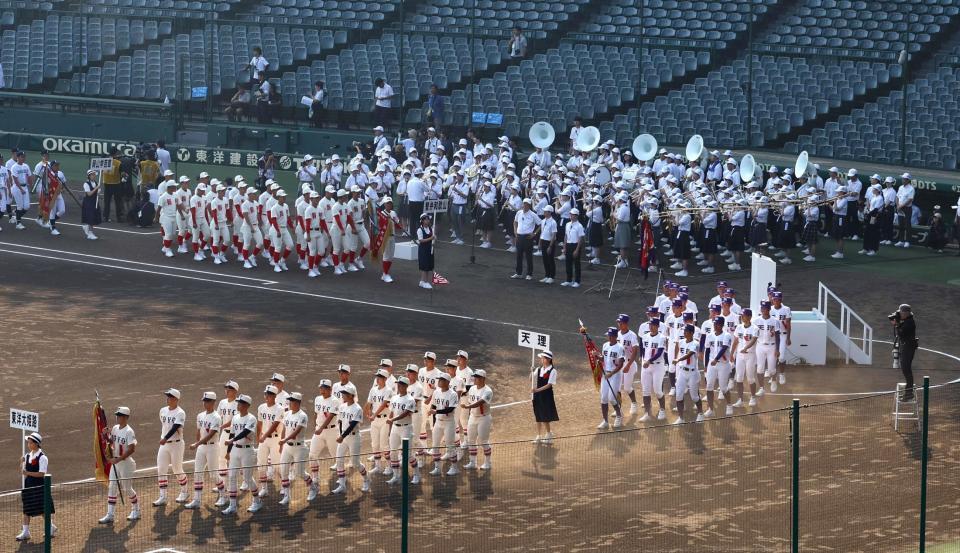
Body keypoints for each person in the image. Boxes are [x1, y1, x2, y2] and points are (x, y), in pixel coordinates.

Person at [99, 406, 141, 523]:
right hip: (116, 462)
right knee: (112, 487)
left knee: (127, 488)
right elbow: (111, 442)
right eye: (117, 415)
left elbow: (132, 449)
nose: (117, 417)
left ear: (126, 417)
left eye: (119, 415)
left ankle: (136, 510)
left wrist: (119, 459)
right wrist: (105, 434)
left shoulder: (129, 431)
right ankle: (110, 514)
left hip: (126, 463)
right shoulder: (115, 428)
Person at [223, 394, 260, 515]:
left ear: (246, 405)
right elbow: (232, 434)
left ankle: (257, 501)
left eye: (240, 403)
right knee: (232, 476)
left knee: (248, 478)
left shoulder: (251, 419)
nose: (238, 404)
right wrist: (228, 451)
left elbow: (245, 432)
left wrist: (232, 441)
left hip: (247, 451)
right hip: (235, 450)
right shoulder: (235, 417)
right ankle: (232, 505)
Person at [185, 391, 223, 509]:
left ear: (213, 402)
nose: (205, 403)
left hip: (212, 447)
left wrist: (196, 444)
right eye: (204, 401)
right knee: (197, 473)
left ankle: (223, 495)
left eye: (207, 401)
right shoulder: (200, 415)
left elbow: (210, 435)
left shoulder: (216, 417)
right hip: (201, 448)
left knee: (213, 474)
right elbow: (199, 431)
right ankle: (197, 500)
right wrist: (198, 445)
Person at [17, 432, 56, 542]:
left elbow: (41, 474)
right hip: (28, 485)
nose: (28, 445)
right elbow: (22, 471)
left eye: (30, 443)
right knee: (26, 509)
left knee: (42, 509)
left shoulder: (43, 458)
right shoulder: (27, 456)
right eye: (28, 443)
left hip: (39, 486)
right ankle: (25, 532)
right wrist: (21, 462)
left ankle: (50, 527)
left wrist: (27, 473)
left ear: (36, 444)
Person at [154, 388, 189, 507]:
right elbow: (164, 425)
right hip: (164, 445)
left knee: (177, 469)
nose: (167, 399)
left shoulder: (180, 413)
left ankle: (184, 492)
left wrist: (165, 438)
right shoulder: (163, 410)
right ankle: (163, 496)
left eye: (170, 397)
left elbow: (175, 427)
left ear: (176, 399)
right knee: (161, 469)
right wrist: (164, 439)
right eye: (167, 396)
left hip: (176, 444)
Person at [333, 385, 371, 494]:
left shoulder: (357, 409)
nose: (342, 395)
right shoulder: (342, 407)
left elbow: (352, 425)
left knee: (355, 463)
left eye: (344, 394)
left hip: (354, 438)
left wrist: (342, 436)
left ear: (350, 395)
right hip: (344, 437)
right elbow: (340, 421)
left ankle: (366, 479)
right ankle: (342, 484)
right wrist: (341, 434)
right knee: (339, 459)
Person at [385, 376, 421, 484]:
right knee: (393, 452)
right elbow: (392, 412)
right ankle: (396, 476)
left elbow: (405, 413)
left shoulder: (410, 400)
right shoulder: (394, 398)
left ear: (406, 386)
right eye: (398, 384)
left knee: (408, 454)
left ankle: (416, 474)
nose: (398, 386)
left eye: (401, 384)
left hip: (406, 428)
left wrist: (392, 420)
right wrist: (390, 429)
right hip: (395, 428)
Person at [277, 393, 310, 506]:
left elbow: (297, 431)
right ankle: (287, 496)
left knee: (300, 473)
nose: (289, 403)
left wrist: (284, 440)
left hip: (299, 448)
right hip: (287, 447)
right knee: (283, 471)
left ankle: (312, 487)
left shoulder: (302, 416)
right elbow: (284, 429)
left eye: (291, 401)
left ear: (297, 402)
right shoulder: (287, 414)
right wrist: (282, 445)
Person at [427, 372, 459, 476]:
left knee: (450, 445)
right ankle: (437, 468)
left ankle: (454, 467)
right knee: (435, 445)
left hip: (449, 423)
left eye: (441, 380)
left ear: (447, 382)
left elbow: (450, 409)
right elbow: (434, 405)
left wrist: (435, 411)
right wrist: (432, 410)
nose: (439, 381)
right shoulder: (436, 392)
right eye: (439, 379)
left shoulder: (453, 394)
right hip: (438, 422)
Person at [255, 385, 283, 498]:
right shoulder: (261, 407)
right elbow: (259, 423)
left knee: (277, 465)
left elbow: (274, 425)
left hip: (275, 439)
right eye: (266, 394)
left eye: (269, 395)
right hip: (263, 440)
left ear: (275, 396)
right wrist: (258, 437)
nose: (266, 396)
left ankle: (284, 486)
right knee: (261, 464)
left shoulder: (279, 409)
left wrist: (264, 436)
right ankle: (264, 488)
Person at [703, 317, 733, 417]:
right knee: (709, 386)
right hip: (712, 364)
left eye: (718, 324)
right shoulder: (710, 336)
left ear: (722, 325)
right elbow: (707, 351)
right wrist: (706, 365)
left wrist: (716, 359)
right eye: (714, 324)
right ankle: (711, 409)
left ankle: (729, 405)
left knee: (723, 387)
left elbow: (724, 348)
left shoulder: (727, 335)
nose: (715, 326)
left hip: (723, 364)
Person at [462, 369, 493, 470]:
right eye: (474, 377)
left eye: (477, 377)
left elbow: (480, 402)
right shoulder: (472, 389)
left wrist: (468, 407)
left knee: (483, 440)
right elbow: (470, 401)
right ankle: (473, 462)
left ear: (483, 379)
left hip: (484, 418)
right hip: (473, 417)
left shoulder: (488, 391)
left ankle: (487, 463)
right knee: (471, 440)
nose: (474, 379)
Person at [639, 317, 668, 422]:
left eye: (653, 325)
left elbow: (659, 353)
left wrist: (649, 361)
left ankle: (662, 410)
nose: (651, 327)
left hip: (658, 366)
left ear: (658, 326)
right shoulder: (645, 336)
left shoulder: (662, 337)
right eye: (650, 325)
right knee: (645, 391)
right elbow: (642, 348)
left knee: (657, 391)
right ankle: (647, 413)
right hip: (646, 366)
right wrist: (642, 358)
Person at [731, 309, 760, 407]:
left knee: (750, 378)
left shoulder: (755, 328)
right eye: (741, 316)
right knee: (739, 378)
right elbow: (735, 341)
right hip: (740, 356)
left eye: (743, 316)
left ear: (749, 317)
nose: (742, 317)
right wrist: (731, 354)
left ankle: (753, 397)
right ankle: (740, 400)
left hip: (750, 355)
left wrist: (745, 348)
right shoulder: (739, 327)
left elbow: (753, 340)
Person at [365, 369, 393, 475]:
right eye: (377, 377)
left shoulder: (388, 390)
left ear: (385, 379)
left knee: (384, 445)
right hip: (375, 420)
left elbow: (383, 405)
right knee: (375, 444)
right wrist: (368, 412)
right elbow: (369, 403)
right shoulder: (373, 390)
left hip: (384, 420)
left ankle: (390, 466)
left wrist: (373, 415)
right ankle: (378, 466)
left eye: (380, 377)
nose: (377, 379)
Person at [598, 327, 625, 429]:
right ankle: (605, 421)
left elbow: (621, 364)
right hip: (605, 374)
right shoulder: (605, 345)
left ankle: (619, 415)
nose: (609, 337)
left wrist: (612, 373)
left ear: (615, 336)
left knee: (612, 398)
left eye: (610, 336)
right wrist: (597, 357)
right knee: (603, 398)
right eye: (608, 336)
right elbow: (604, 359)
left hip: (615, 375)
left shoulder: (620, 348)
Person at [893, 304, 918, 400]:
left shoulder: (909, 323)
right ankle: (908, 391)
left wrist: (896, 324)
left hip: (908, 348)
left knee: (906, 369)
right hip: (906, 347)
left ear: (906, 313)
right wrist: (898, 323)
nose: (899, 314)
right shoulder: (907, 320)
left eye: (901, 312)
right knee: (906, 369)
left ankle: (909, 393)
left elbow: (900, 333)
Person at [512, 198, 540, 280]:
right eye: (524, 203)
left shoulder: (533, 214)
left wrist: (534, 234)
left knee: (528, 256)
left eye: (526, 204)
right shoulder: (519, 212)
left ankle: (529, 274)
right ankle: (518, 273)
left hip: (528, 237)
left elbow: (540, 224)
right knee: (519, 255)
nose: (524, 205)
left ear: (529, 205)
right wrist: (515, 231)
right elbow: (515, 222)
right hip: (519, 236)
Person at [561, 208, 584, 288]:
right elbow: (566, 236)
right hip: (568, 245)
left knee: (577, 264)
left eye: (573, 214)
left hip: (575, 245)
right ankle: (569, 280)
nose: (571, 216)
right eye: (570, 214)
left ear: (576, 216)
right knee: (568, 263)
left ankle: (577, 281)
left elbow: (580, 239)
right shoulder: (567, 224)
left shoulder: (579, 226)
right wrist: (564, 247)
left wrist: (577, 250)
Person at [538, 205, 558, 284]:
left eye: (545, 211)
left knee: (550, 260)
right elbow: (542, 232)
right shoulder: (543, 221)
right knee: (545, 259)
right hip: (543, 241)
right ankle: (547, 275)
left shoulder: (553, 222)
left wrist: (550, 246)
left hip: (549, 242)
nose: (544, 212)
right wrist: (539, 242)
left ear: (549, 212)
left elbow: (554, 235)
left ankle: (551, 277)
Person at [895, 173, 915, 248]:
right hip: (899, 208)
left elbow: (910, 199)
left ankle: (908, 241)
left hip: (907, 208)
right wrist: (898, 205)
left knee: (907, 225)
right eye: (902, 179)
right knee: (901, 224)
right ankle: (901, 240)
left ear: (908, 180)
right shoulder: (900, 187)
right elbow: (897, 197)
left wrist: (901, 206)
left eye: (904, 179)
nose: (902, 180)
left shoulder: (911, 188)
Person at [416, 213, 435, 289]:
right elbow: (421, 240)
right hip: (423, 250)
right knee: (425, 266)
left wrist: (434, 239)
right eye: (426, 219)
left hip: (430, 249)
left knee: (429, 266)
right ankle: (425, 282)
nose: (428, 221)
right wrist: (431, 238)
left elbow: (433, 238)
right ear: (422, 221)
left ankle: (422, 281)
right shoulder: (419, 230)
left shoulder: (431, 229)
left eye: (428, 219)